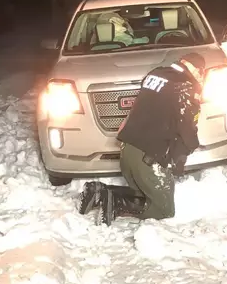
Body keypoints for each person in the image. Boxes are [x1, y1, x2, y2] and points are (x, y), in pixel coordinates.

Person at [78, 53, 205, 226]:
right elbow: (187, 127)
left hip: (127, 151)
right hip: (147, 158)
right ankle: (116, 203)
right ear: (197, 70)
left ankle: (100, 192)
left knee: (143, 193)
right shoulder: (185, 86)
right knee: (164, 209)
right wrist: (187, 150)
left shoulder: (156, 74)